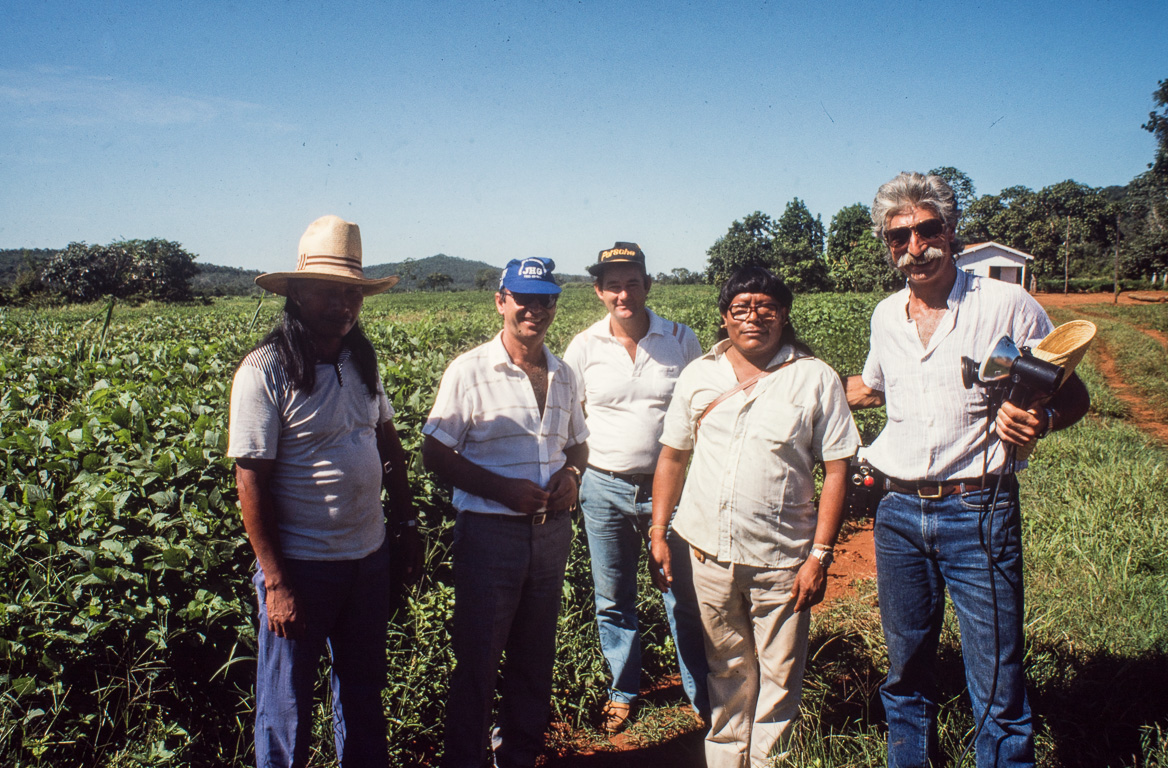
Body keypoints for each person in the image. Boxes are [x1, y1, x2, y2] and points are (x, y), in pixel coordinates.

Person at [845, 172, 1091, 768]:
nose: (915, 245)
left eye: (928, 230)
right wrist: (791, 382)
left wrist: (1043, 420)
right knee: (904, 670)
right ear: (887, 244)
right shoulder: (885, 316)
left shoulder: (1006, 305)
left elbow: (1073, 396)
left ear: (951, 233)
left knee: (997, 679)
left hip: (977, 508)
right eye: (899, 236)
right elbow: (871, 388)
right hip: (897, 511)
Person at [227, 215, 420, 768]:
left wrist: (404, 526)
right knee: (285, 708)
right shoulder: (265, 370)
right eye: (329, 293)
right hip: (303, 567)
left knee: (362, 695)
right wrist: (277, 581)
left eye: (352, 294)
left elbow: (388, 444)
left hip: (367, 559)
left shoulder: (361, 360)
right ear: (296, 294)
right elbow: (251, 480)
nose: (343, 305)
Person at [648, 266, 861, 768]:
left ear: (783, 315)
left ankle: (771, 761)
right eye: (741, 308)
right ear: (724, 318)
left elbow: (837, 470)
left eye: (766, 308)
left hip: (781, 558)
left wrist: (820, 556)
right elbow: (673, 456)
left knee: (780, 673)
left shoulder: (816, 378)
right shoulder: (700, 375)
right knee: (725, 667)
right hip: (708, 552)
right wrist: (659, 531)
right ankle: (726, 757)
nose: (754, 318)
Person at [422, 257, 589, 768]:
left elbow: (579, 445)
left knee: (534, 657)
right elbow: (434, 451)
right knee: (478, 659)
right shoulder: (469, 370)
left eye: (545, 300)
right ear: (501, 302)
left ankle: (519, 754)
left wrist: (572, 477)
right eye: (524, 300)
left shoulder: (564, 373)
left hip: (550, 533)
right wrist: (501, 489)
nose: (534, 311)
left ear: (555, 305)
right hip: (489, 535)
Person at [562, 241, 709, 733]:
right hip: (602, 487)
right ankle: (623, 691)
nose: (623, 294)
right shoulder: (584, 347)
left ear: (648, 284)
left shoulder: (680, 338)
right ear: (599, 291)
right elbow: (569, 415)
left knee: (681, 594)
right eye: (612, 285)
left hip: (671, 489)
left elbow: (701, 412)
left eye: (632, 283)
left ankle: (701, 692)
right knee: (613, 598)